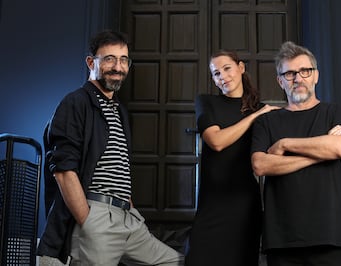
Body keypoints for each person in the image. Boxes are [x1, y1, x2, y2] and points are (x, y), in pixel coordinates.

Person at [37, 30, 184, 265]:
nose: (118, 66)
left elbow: (119, 168)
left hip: (127, 217)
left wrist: (131, 211)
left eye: (123, 59)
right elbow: (64, 171)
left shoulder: (118, 110)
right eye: (109, 59)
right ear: (90, 62)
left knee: (174, 262)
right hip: (97, 215)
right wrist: (87, 221)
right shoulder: (75, 102)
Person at [251, 41, 341, 266]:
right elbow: (260, 165)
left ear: (316, 76)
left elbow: (340, 148)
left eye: (304, 71)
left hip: (330, 235)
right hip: (282, 239)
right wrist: (321, 150)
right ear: (280, 81)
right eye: (289, 73)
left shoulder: (338, 112)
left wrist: (284, 144)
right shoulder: (266, 121)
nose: (298, 78)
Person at [185, 50, 278, 266]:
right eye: (216, 73)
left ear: (241, 67)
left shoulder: (263, 110)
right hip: (212, 202)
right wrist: (254, 116)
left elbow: (272, 153)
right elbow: (216, 141)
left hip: (245, 203)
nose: (223, 76)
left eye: (227, 68)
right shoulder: (206, 102)